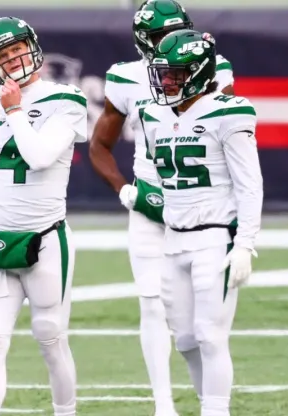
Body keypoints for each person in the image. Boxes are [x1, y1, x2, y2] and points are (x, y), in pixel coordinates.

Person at [87, 1, 235, 414]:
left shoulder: (214, 66)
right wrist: (124, 188)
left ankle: (212, 402)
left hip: (199, 203)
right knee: (152, 304)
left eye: (175, 34)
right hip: (151, 202)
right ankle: (163, 404)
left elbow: (223, 129)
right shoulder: (126, 76)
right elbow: (99, 145)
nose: (168, 44)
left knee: (204, 326)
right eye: (157, 37)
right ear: (141, 43)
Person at [0, 16, 88, 416]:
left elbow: (40, 156)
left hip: (46, 239)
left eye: (17, 50)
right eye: (3, 55)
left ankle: (66, 412)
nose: (13, 59)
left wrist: (13, 111)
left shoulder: (66, 99)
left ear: (33, 47)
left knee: (50, 336)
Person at [142, 29, 263, 416]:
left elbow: (249, 184)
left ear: (199, 71)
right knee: (186, 340)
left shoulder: (230, 111)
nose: (166, 81)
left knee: (211, 335)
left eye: (176, 73)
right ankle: (208, 404)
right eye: (164, 73)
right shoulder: (152, 114)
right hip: (173, 239)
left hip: (214, 238)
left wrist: (245, 243)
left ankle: (216, 410)